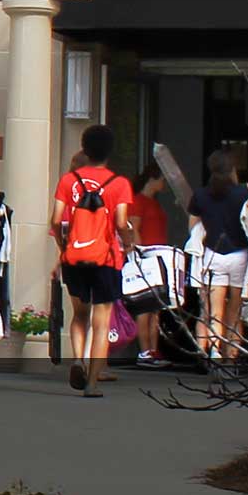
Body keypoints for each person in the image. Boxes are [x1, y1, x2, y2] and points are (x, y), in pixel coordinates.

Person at [52, 124, 134, 398]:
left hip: (74, 258)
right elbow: (121, 222)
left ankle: (77, 360)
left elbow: (56, 220)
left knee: (79, 315)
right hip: (106, 258)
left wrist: (65, 247)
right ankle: (93, 383)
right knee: (101, 322)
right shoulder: (119, 183)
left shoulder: (68, 180)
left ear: (84, 149)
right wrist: (129, 241)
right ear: (109, 151)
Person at [189, 150, 248, 362]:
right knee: (234, 310)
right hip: (239, 255)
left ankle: (214, 351)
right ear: (232, 169)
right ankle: (232, 354)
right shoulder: (244, 193)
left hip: (213, 254)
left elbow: (193, 226)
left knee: (215, 310)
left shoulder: (200, 195)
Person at [128, 165, 172, 368]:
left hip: (159, 255)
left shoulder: (154, 202)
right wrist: (139, 254)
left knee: (156, 307)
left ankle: (154, 350)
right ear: (152, 179)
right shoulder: (138, 201)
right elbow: (134, 228)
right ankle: (144, 350)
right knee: (145, 306)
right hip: (146, 257)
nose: (163, 183)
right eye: (161, 179)